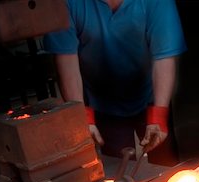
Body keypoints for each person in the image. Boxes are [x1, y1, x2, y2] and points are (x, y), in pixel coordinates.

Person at [43, 0, 187, 165]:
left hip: (150, 95)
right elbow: (67, 61)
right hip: (102, 102)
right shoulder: (65, 3)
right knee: (119, 171)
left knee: (166, 169)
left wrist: (159, 114)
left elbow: (163, 57)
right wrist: (80, 117)